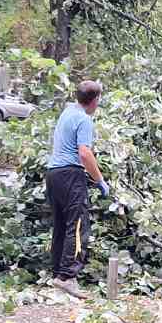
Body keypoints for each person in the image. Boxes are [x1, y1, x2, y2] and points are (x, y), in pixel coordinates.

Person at [46, 80, 111, 292]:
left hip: (53, 174)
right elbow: (84, 153)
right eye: (98, 100)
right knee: (76, 226)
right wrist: (100, 180)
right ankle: (67, 277)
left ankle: (57, 273)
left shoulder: (67, 112)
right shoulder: (84, 120)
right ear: (94, 101)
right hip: (70, 175)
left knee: (61, 225)